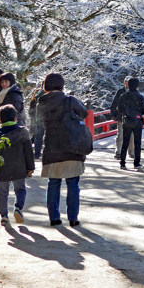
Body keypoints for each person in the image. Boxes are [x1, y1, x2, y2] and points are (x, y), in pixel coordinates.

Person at [38, 72, 88, 227]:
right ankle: (73, 218)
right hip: (72, 146)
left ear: (46, 86)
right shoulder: (70, 101)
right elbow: (84, 113)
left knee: (53, 183)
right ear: (61, 85)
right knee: (73, 183)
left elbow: (38, 123)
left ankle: (54, 217)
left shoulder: (42, 103)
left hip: (52, 148)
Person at [0, 104, 34, 225]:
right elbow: (28, 152)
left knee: (2, 193)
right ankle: (18, 208)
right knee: (20, 189)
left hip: (1, 168)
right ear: (15, 118)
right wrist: (30, 167)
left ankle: (4, 216)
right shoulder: (22, 132)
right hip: (18, 167)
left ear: (0, 119)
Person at [118, 78, 144, 169]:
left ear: (128, 85)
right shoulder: (140, 97)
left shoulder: (123, 96)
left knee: (125, 142)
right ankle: (136, 162)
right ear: (137, 86)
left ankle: (122, 162)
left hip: (126, 121)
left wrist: (127, 113)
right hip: (137, 122)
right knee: (137, 142)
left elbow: (119, 109)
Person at [111, 77, 135, 161]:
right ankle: (118, 152)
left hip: (132, 117)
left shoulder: (135, 92)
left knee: (131, 135)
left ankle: (131, 152)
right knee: (120, 135)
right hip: (121, 116)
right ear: (125, 83)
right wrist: (114, 114)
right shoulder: (120, 92)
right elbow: (114, 104)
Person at [26, 82, 45, 159]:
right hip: (40, 119)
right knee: (38, 137)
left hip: (37, 119)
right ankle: (36, 153)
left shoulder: (37, 93)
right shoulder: (41, 93)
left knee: (36, 137)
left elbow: (32, 106)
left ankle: (35, 153)